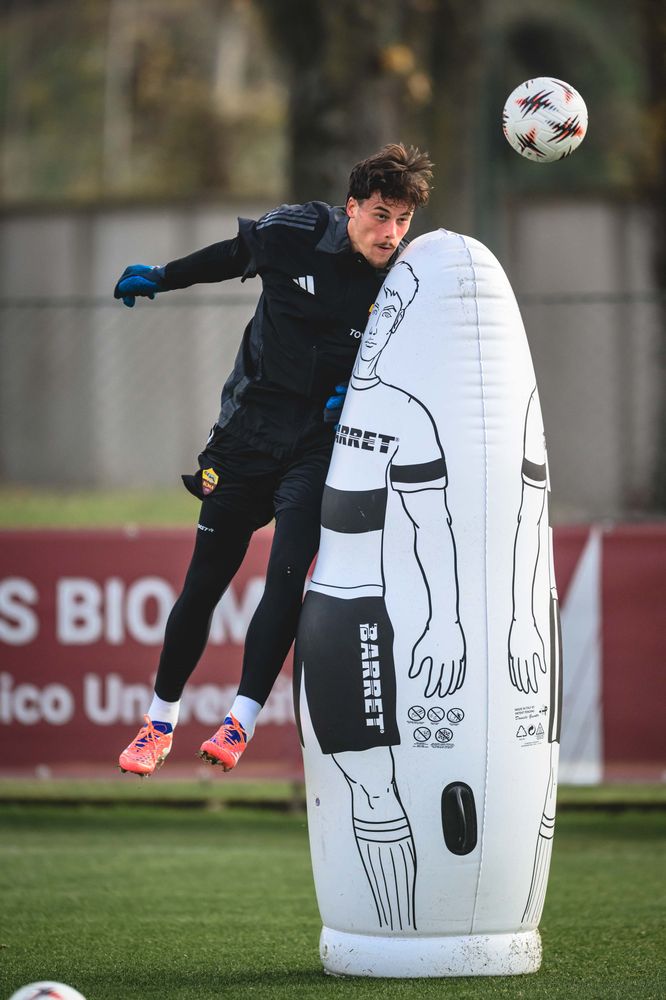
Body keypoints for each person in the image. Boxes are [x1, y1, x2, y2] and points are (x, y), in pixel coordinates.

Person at [114, 143, 434, 777]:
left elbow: (415, 363)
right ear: (351, 208)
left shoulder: (405, 281)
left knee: (288, 574)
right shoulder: (295, 232)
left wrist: (366, 390)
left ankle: (240, 720)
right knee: (205, 581)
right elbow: (237, 254)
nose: (391, 233)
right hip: (246, 436)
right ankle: (158, 722)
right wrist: (163, 274)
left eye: (402, 220)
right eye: (380, 215)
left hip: (318, 446)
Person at [293, 259, 465, 929]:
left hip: (365, 612)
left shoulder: (405, 416)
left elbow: (434, 526)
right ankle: (375, 938)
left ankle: (401, 940)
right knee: (351, 781)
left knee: (374, 782)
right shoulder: (313, 398)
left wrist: (446, 621)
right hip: (318, 613)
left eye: (390, 315)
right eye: (374, 311)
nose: (377, 324)